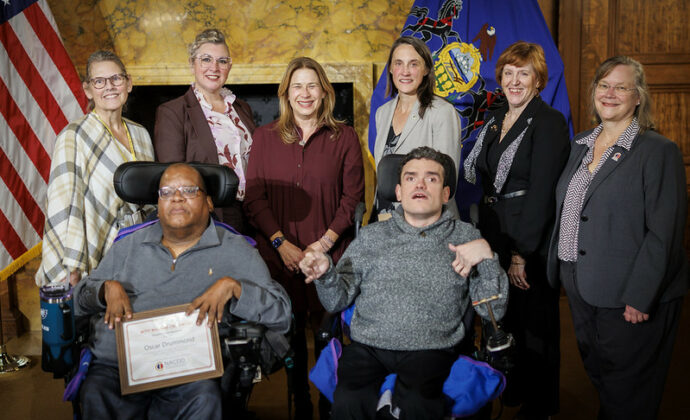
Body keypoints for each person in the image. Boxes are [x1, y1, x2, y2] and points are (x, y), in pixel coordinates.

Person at [299, 147, 508, 420]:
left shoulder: (466, 236)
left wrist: (487, 255)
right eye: (411, 178)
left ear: (446, 193)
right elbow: (336, 301)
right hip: (369, 346)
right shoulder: (371, 237)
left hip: (431, 347)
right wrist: (326, 275)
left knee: (419, 404)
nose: (420, 184)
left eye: (431, 178)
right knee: (349, 401)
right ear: (398, 192)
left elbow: (494, 310)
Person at [73, 163, 292, 419]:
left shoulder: (236, 250)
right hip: (119, 368)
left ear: (209, 203)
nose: (176, 197)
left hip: (191, 374)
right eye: (166, 192)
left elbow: (282, 314)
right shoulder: (128, 245)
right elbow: (78, 300)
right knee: (94, 394)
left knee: (206, 399)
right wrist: (103, 290)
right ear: (158, 202)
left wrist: (236, 288)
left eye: (189, 190)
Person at [546, 56, 688, 420]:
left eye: (621, 87)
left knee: (628, 395)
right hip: (580, 286)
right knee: (604, 380)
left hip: (630, 295)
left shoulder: (658, 151)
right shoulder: (580, 144)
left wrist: (641, 296)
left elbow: (664, 233)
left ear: (638, 96)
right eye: (603, 85)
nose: (610, 94)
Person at [243, 57, 365, 419]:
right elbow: (254, 199)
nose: (305, 93)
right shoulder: (264, 137)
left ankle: (329, 402)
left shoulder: (344, 137)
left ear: (325, 91)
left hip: (329, 254)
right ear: (286, 93)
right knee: (290, 332)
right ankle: (300, 402)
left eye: (313, 85)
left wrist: (322, 246)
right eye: (297, 86)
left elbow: (352, 198)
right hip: (280, 253)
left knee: (328, 335)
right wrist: (282, 245)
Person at [463, 41, 570, 419]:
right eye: (508, 73)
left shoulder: (549, 122)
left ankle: (538, 406)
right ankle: (512, 392)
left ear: (538, 80)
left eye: (523, 73)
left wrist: (521, 254)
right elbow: (484, 176)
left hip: (529, 237)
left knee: (533, 326)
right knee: (503, 320)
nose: (514, 80)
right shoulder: (495, 118)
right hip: (494, 232)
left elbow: (543, 191)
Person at [37, 50, 154, 286]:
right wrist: (70, 266)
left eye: (116, 79)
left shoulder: (140, 133)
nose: (109, 86)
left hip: (141, 247)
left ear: (128, 83)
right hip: (96, 252)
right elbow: (63, 205)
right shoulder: (74, 135)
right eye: (99, 81)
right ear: (88, 90)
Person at [154, 28, 256, 233]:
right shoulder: (173, 112)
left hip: (251, 212)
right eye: (206, 59)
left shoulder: (241, 108)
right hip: (210, 215)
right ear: (192, 64)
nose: (214, 67)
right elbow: (174, 178)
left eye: (222, 61)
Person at [373, 36, 462, 217]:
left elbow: (446, 182)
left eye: (413, 64)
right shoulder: (382, 113)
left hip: (426, 220)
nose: (405, 71)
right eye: (398, 63)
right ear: (390, 68)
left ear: (426, 69)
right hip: (385, 218)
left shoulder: (442, 112)